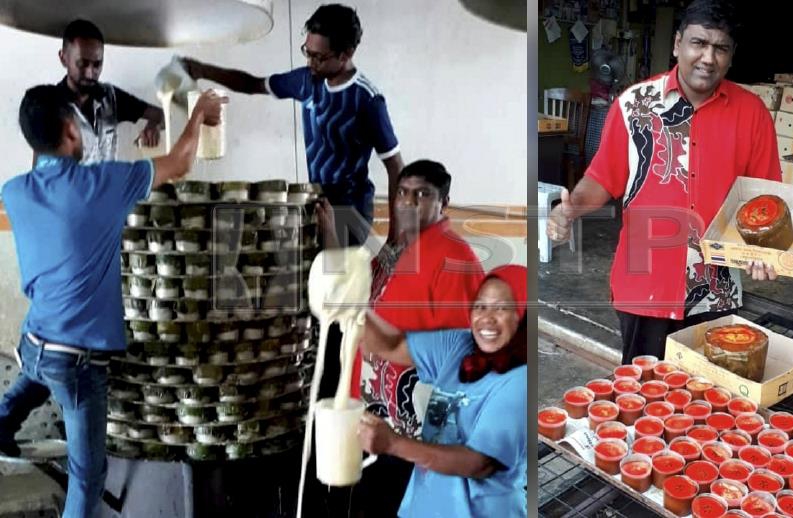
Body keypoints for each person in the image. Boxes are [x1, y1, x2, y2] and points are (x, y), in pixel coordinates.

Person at [0, 85, 225, 518]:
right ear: (70, 129)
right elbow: (179, 163)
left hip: (34, 341)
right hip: (77, 362)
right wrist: (196, 114)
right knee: (87, 480)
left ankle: (2, 424)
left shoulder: (15, 192)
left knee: (34, 375)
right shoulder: (101, 184)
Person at [546, 0, 781, 363]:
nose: (708, 57)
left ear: (731, 56)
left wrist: (764, 252)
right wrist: (570, 209)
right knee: (641, 400)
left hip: (713, 289)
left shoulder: (752, 114)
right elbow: (602, 178)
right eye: (698, 43)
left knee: (705, 402)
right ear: (677, 45)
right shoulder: (633, 105)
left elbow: (766, 198)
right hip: (644, 285)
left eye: (720, 48)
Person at [181, 4, 403, 246]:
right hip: (315, 204)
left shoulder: (367, 100)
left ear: (346, 53)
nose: (310, 62)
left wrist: (395, 235)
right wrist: (202, 70)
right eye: (307, 52)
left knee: (336, 279)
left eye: (319, 57)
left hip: (350, 212)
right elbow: (253, 84)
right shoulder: (307, 80)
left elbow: (396, 166)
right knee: (312, 275)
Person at [348, 160, 485, 516]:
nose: (409, 203)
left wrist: (439, 448)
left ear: (445, 203)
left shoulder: (456, 260)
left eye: (423, 195)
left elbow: (460, 358)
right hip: (373, 420)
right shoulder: (391, 253)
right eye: (403, 193)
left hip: (413, 432)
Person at [359, 265, 527, 517]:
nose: (487, 318)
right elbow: (391, 346)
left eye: (501, 308)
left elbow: (478, 463)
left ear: (522, 315)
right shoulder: (459, 345)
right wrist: (349, 304)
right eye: (480, 306)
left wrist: (393, 443)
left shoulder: (520, 380)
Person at [53, 19, 165, 163]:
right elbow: (40, 174)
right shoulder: (48, 106)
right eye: (82, 64)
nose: (90, 73)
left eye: (97, 65)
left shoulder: (110, 97)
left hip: (110, 185)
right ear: (63, 58)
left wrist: (153, 127)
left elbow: (161, 115)